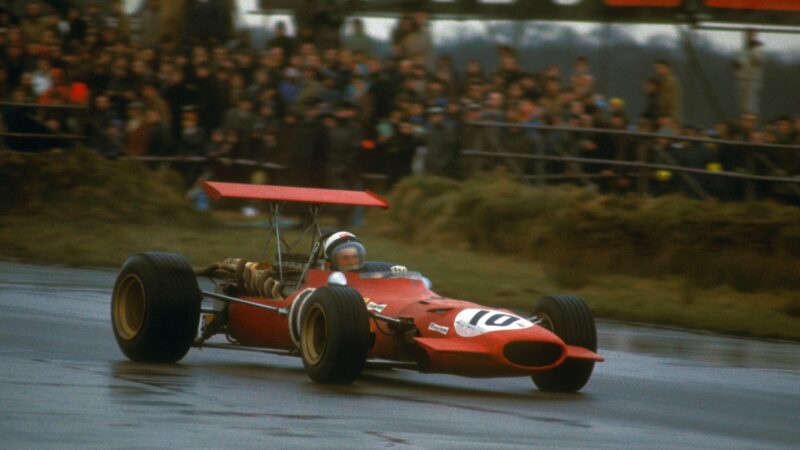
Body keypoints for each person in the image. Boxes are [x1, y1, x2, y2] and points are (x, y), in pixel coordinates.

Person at [323, 231, 406, 274]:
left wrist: (397, 272)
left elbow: (390, 268)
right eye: (345, 258)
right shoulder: (322, 281)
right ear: (330, 263)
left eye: (354, 257)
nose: (352, 262)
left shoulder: (366, 270)